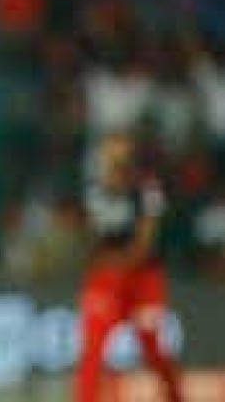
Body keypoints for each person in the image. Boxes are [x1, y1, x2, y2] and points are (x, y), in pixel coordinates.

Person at [75, 133, 182, 402]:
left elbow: (144, 245)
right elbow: (90, 239)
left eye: (119, 153)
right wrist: (101, 261)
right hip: (105, 279)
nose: (112, 159)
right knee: (92, 347)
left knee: (152, 346)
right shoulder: (93, 190)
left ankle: (176, 397)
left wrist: (113, 261)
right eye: (108, 153)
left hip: (143, 280)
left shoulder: (148, 191)